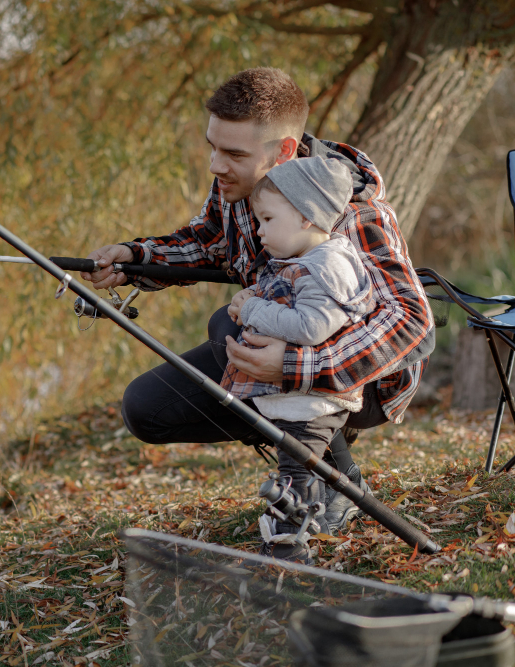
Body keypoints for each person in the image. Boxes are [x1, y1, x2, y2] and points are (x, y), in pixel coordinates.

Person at [81, 67, 433, 532]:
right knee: (145, 410)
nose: (215, 165)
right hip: (277, 348)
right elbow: (208, 241)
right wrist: (134, 258)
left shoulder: (352, 212)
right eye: (212, 146)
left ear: (283, 151)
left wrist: (296, 366)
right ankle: (317, 462)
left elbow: (412, 320)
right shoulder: (237, 187)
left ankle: (329, 478)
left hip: (366, 382)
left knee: (225, 327)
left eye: (232, 153)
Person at [222, 157, 373, 561]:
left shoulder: (329, 265)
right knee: (297, 470)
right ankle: (315, 514)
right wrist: (249, 298)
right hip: (294, 399)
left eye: (268, 219)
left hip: (311, 403)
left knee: (294, 475)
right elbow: (285, 300)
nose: (259, 230)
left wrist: (253, 311)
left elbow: (311, 326)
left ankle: (289, 545)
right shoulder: (303, 261)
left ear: (306, 216)